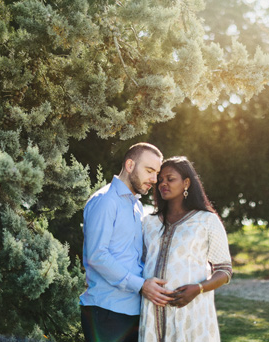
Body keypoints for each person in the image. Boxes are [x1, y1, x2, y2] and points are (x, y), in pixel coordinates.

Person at [81, 143, 173, 342]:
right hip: (106, 311)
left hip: (132, 310)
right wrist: (141, 285)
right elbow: (97, 255)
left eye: (156, 173)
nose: (154, 180)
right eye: (149, 171)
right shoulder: (106, 201)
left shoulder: (137, 206)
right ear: (130, 165)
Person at [138, 156, 232, 342]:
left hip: (192, 312)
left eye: (170, 179)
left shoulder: (206, 220)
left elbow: (225, 270)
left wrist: (198, 288)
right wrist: (143, 287)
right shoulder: (148, 223)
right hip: (152, 311)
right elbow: (139, 263)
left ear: (186, 182)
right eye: (160, 180)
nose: (163, 184)